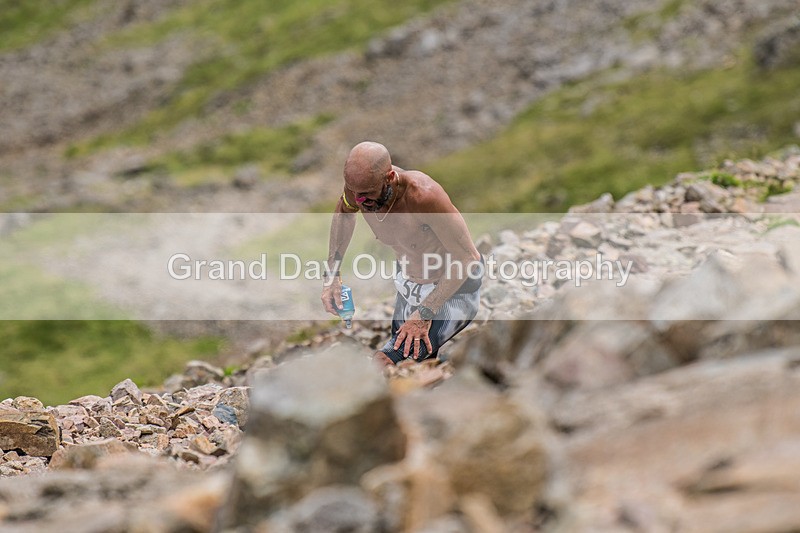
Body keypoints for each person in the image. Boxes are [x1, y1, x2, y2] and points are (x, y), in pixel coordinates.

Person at [321, 141, 482, 365]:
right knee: (415, 363)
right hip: (408, 287)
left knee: (387, 362)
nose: (359, 201)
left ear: (389, 177)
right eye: (354, 192)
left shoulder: (423, 196)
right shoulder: (358, 188)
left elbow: (469, 258)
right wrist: (332, 278)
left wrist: (425, 312)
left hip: (454, 289)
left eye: (366, 194)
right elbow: (345, 212)